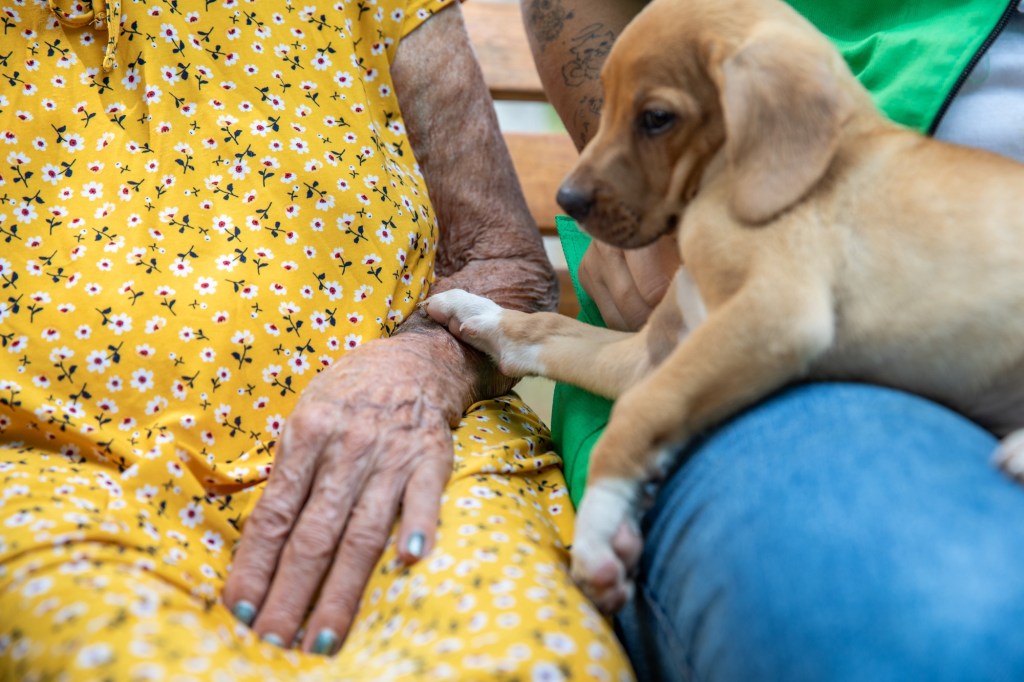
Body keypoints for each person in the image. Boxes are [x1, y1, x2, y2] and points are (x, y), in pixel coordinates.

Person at [0, 0, 635, 679]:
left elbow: (502, 262)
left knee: (527, 660)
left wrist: (420, 365)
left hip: (406, 435)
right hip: (59, 479)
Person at [522, 0, 1024, 679]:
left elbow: (780, 318)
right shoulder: (765, 147)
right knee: (946, 624)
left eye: (653, 121)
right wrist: (662, 188)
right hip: (830, 388)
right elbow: (752, 327)